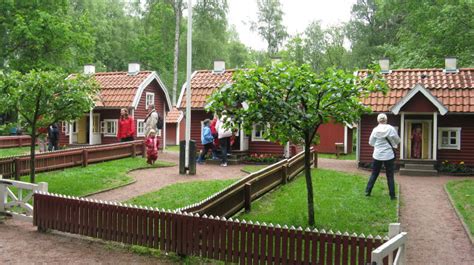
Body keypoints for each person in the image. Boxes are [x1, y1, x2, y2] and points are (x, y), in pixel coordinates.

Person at [365, 113, 400, 200]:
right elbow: (397, 140)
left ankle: (367, 191)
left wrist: (378, 145)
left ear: (378, 120)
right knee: (390, 176)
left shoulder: (375, 130)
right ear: (386, 120)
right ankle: (392, 196)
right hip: (389, 155)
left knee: (374, 174)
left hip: (377, 155)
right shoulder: (391, 129)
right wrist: (392, 143)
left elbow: (371, 142)